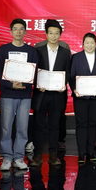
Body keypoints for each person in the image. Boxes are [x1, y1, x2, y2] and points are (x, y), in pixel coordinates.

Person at [0, 19, 38, 172]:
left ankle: (19, 158)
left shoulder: (31, 51)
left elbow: (34, 72)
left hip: (25, 94)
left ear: (25, 31)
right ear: (11, 31)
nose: (18, 32)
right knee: (6, 128)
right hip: (7, 93)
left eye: (21, 29)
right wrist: (10, 84)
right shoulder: (3, 49)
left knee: (22, 128)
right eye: (15, 29)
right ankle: (7, 158)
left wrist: (25, 84)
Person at [30, 19, 70, 168]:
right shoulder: (37, 50)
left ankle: (53, 155)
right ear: (46, 34)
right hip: (41, 93)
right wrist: (37, 83)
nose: (54, 36)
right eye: (51, 33)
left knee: (55, 125)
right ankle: (37, 155)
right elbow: (33, 70)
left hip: (57, 94)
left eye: (57, 33)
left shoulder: (65, 52)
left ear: (60, 35)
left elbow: (68, 72)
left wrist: (63, 83)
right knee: (38, 125)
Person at [69, 33, 96, 165]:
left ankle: (91, 151)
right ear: (83, 44)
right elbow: (71, 76)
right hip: (80, 97)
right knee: (81, 124)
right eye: (87, 42)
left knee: (93, 124)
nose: (89, 45)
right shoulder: (76, 57)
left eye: (92, 42)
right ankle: (82, 153)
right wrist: (74, 89)